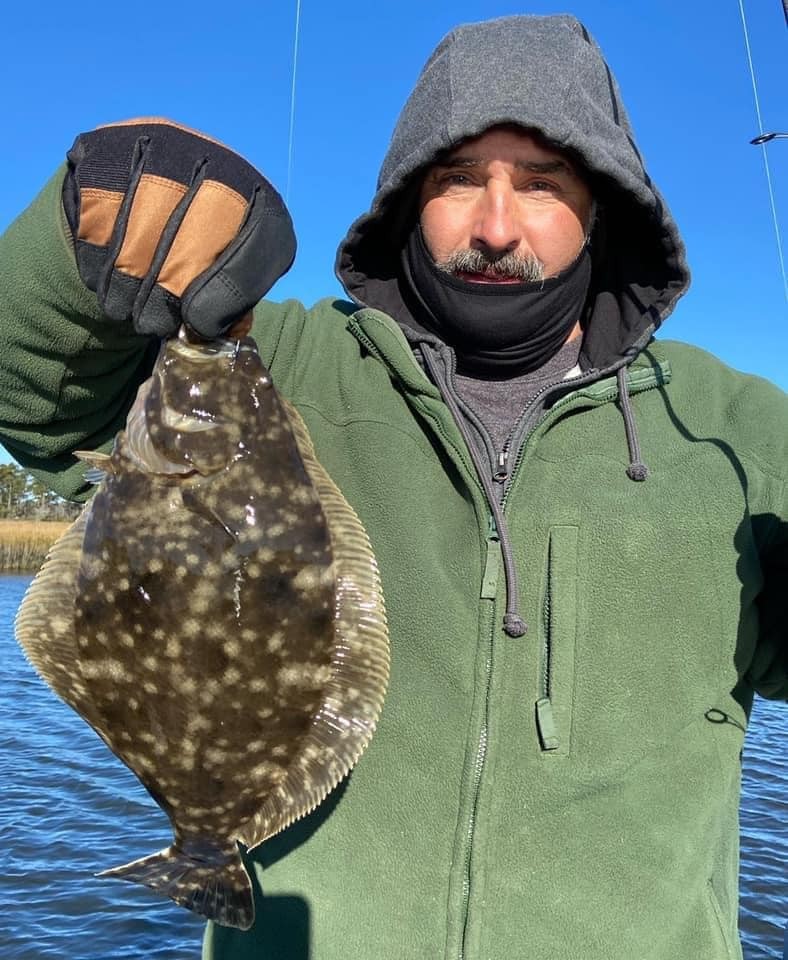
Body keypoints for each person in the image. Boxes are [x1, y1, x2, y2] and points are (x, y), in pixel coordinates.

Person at [0, 13, 786, 960]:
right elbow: (30, 394)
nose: (498, 226)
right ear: (408, 199)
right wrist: (86, 227)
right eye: (460, 180)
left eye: (543, 185)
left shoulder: (739, 430)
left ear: (604, 208)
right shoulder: (270, 359)